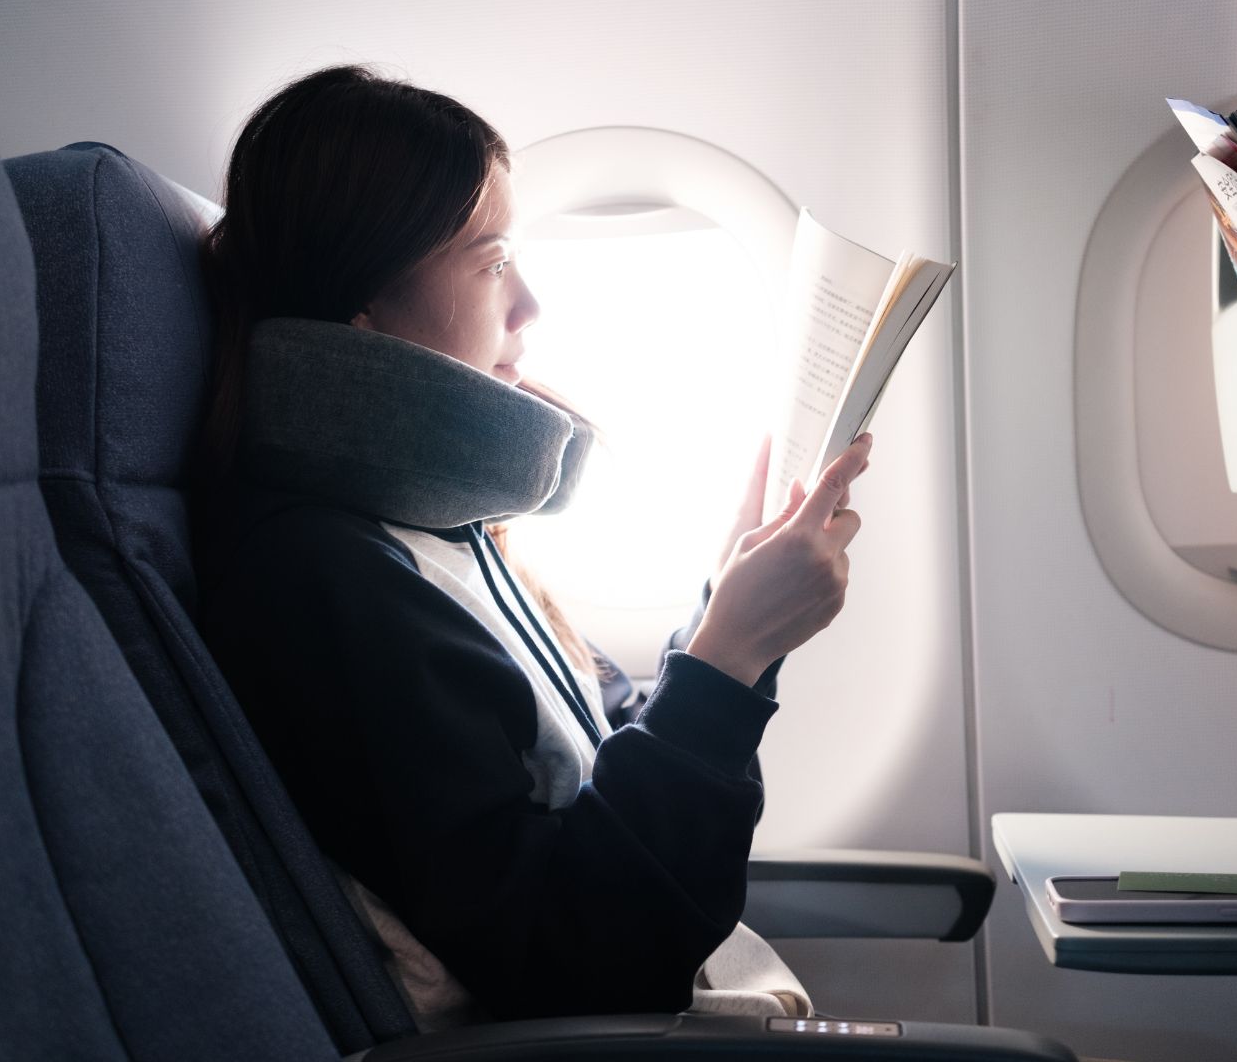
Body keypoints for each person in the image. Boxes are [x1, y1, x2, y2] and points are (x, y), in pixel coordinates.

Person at [194, 65, 871, 1030]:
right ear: (363, 307)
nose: (530, 308)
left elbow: (601, 752)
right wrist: (730, 662)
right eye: (493, 262)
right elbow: (583, 962)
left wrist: (723, 608)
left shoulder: (436, 533)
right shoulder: (321, 583)